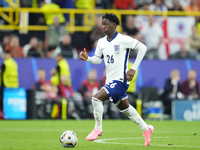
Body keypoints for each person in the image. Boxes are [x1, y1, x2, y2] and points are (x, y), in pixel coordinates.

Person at [79, 13, 154, 147]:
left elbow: (143, 48)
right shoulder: (101, 42)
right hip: (110, 81)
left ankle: (98, 128)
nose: (103, 27)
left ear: (114, 25)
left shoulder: (123, 39)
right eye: (102, 24)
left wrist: (134, 68)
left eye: (106, 24)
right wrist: (88, 58)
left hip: (121, 80)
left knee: (96, 98)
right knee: (125, 108)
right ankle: (146, 129)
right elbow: (97, 59)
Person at [0, 50, 19, 119]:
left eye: (5, 54)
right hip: (14, 85)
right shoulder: (14, 63)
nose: (4, 56)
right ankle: (12, 114)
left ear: (9, 55)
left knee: (3, 101)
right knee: (12, 102)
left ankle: (2, 114)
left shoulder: (6, 63)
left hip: (6, 85)